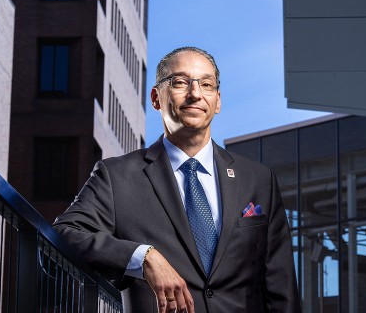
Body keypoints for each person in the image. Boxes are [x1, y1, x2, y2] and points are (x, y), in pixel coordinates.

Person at [53, 46, 301, 312]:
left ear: (217, 100)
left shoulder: (258, 180)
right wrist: (143, 257)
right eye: (180, 82)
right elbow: (65, 233)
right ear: (156, 97)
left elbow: (281, 287)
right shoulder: (116, 176)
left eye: (206, 84)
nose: (195, 94)